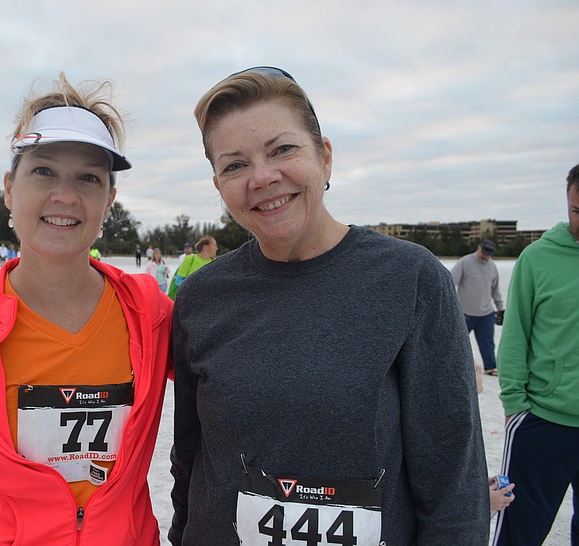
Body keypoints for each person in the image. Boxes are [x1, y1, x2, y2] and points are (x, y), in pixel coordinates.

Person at [169, 66, 489, 545]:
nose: (262, 177)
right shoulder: (202, 297)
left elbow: (452, 480)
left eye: (282, 150)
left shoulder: (412, 280)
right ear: (219, 186)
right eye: (234, 165)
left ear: (325, 157)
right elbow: (190, 455)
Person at [0, 73, 172, 545]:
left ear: (109, 200)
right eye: (44, 171)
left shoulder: (148, 312)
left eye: (88, 178)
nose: (65, 196)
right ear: (10, 189)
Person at [492, 164, 579, 545]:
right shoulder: (537, 258)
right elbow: (514, 338)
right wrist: (515, 404)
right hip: (543, 420)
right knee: (519, 531)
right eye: (578, 211)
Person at [451, 239, 504, 376]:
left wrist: (500, 308)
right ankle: (450, 367)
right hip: (464, 313)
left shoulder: (492, 267)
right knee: (457, 343)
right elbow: (450, 281)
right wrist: (450, 306)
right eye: (483, 252)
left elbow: (495, 290)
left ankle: (490, 367)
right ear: (479, 247)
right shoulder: (465, 262)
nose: (485, 256)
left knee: (487, 342)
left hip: (486, 313)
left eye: (488, 254)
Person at [166, 235, 217, 300]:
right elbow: (178, 281)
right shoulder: (190, 259)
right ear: (205, 247)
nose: (216, 248)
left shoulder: (214, 263)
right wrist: (195, 288)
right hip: (189, 300)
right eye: (214, 245)